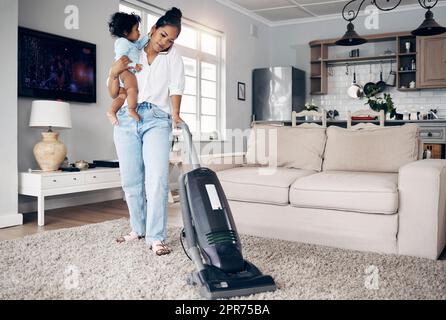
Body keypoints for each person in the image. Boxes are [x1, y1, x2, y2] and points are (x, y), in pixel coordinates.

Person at [107, 7, 185, 256]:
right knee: (130, 180)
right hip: (127, 118)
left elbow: (176, 86)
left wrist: (175, 114)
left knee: (157, 180)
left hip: (157, 118)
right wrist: (112, 73)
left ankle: (156, 236)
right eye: (163, 35)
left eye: (171, 40)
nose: (165, 43)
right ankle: (137, 229)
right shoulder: (130, 50)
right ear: (152, 30)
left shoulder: (173, 56)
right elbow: (116, 89)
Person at [107, 12, 150, 125]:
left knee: (122, 95)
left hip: (124, 72)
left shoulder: (133, 43)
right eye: (136, 29)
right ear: (126, 33)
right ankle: (131, 109)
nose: (139, 32)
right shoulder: (122, 42)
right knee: (132, 89)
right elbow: (121, 59)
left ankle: (112, 111)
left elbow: (140, 44)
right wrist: (134, 65)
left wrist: (150, 35)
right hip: (125, 71)